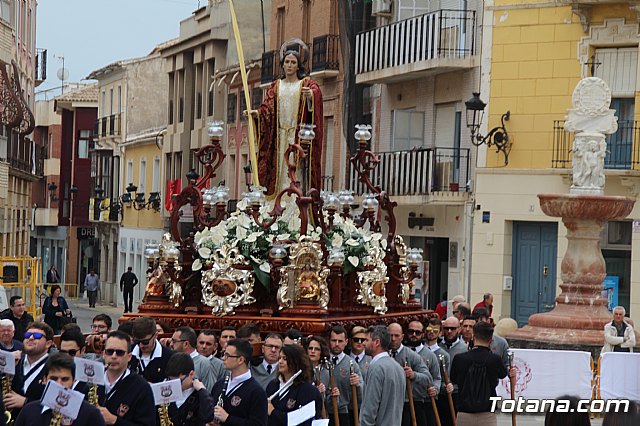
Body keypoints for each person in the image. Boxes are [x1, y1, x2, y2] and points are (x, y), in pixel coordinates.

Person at [249, 42, 324, 198]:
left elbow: (316, 92)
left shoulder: (305, 84)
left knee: (295, 170)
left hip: (297, 138)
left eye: (293, 62)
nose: (289, 65)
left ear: (298, 66)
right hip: (279, 138)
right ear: (282, 65)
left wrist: (311, 96)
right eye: (287, 62)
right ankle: (277, 202)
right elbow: (267, 109)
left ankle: (296, 206)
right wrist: (256, 114)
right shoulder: (276, 86)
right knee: (279, 170)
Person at [449, 322, 514, 426]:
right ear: (490, 340)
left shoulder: (459, 358)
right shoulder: (495, 360)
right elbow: (502, 374)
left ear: (473, 337)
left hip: (464, 412)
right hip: (487, 413)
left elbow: (454, 378)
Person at [14, 353, 105, 426]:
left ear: (74, 381)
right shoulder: (29, 410)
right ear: (45, 380)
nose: (59, 384)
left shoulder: (91, 414)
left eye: (65, 379)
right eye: (53, 379)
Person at [98, 330, 155, 426]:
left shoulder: (141, 388)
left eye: (119, 352)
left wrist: (114, 421)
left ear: (129, 357)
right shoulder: (91, 380)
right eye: (110, 351)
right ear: (104, 354)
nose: (114, 356)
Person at [211, 338, 268, 425]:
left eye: (227, 355)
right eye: (223, 354)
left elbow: (258, 424)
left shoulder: (256, 391)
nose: (223, 358)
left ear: (240, 360)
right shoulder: (219, 384)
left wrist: (228, 418)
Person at [4, 322, 54, 420]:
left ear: (48, 343)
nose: (30, 338)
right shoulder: (14, 362)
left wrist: (26, 402)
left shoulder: (55, 368)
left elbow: (58, 404)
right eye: (27, 335)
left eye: (37, 336)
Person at [387, 322, 433, 426]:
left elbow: (428, 378)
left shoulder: (411, 355)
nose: (393, 339)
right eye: (390, 335)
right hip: (386, 403)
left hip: (406, 403)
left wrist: (413, 375)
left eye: (396, 335)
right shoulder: (382, 353)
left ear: (402, 337)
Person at [358, 325, 405, 426]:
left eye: (366, 340)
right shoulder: (398, 367)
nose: (363, 343)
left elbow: (370, 406)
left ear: (377, 342)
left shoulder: (377, 367)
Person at [265, 343, 322, 426]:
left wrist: (273, 412)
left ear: (295, 361)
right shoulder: (272, 385)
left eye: (284, 358)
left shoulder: (307, 390)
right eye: (279, 358)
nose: (280, 361)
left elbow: (300, 421)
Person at [404, 320, 441, 426]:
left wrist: (435, 388)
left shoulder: (430, 355)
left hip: (423, 402)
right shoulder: (401, 352)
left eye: (417, 332)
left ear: (423, 334)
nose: (414, 335)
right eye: (411, 332)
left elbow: (437, 377)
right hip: (404, 401)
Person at [164, 352, 216, 425]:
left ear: (191, 374)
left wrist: (202, 391)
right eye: (171, 380)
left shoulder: (199, 395)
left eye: (179, 381)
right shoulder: (166, 391)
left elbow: (207, 417)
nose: (174, 385)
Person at [328, 326, 363, 426]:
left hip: (345, 413)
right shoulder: (323, 362)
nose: (337, 344)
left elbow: (361, 394)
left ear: (346, 342)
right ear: (329, 341)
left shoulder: (352, 364)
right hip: (325, 411)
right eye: (334, 340)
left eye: (340, 341)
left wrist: (358, 384)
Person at [170, 326, 216, 392]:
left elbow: (209, 390)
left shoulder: (203, 363)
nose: (171, 344)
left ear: (186, 344)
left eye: (174, 341)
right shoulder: (172, 358)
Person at [130, 316, 174, 383]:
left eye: (145, 342)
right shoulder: (127, 352)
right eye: (137, 341)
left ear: (156, 335)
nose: (141, 345)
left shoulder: (169, 357)